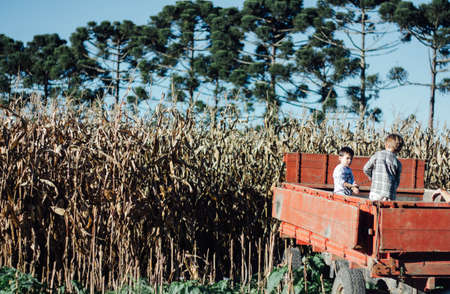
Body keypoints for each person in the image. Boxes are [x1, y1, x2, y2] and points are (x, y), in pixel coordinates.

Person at [363, 133, 404, 201]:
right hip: (389, 194)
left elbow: (366, 168)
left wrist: (372, 177)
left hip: (376, 192)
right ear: (399, 149)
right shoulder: (398, 163)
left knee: (374, 210)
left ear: (386, 144)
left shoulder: (378, 155)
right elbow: (397, 181)